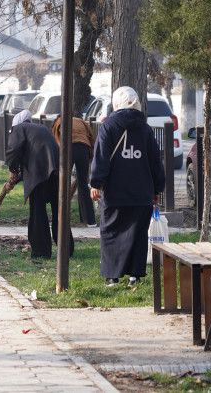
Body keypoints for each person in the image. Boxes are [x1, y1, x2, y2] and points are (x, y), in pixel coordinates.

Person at [90, 86, 165, 287]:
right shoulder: (146, 129)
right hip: (142, 192)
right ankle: (135, 275)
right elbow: (155, 161)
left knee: (112, 231)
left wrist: (96, 183)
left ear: (116, 103)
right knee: (138, 234)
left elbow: (102, 157)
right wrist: (157, 189)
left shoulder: (108, 127)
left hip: (116, 191)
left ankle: (112, 276)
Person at [6, 110, 73, 259]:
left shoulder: (18, 129)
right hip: (56, 171)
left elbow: (14, 149)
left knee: (38, 211)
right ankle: (67, 249)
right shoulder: (39, 129)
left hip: (39, 174)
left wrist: (12, 169)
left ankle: (41, 251)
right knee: (59, 210)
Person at [51, 115, 97, 227]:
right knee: (83, 184)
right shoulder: (80, 121)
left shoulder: (58, 122)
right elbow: (91, 136)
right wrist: (90, 154)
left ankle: (60, 219)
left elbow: (57, 143)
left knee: (62, 183)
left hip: (68, 148)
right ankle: (90, 221)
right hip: (84, 148)